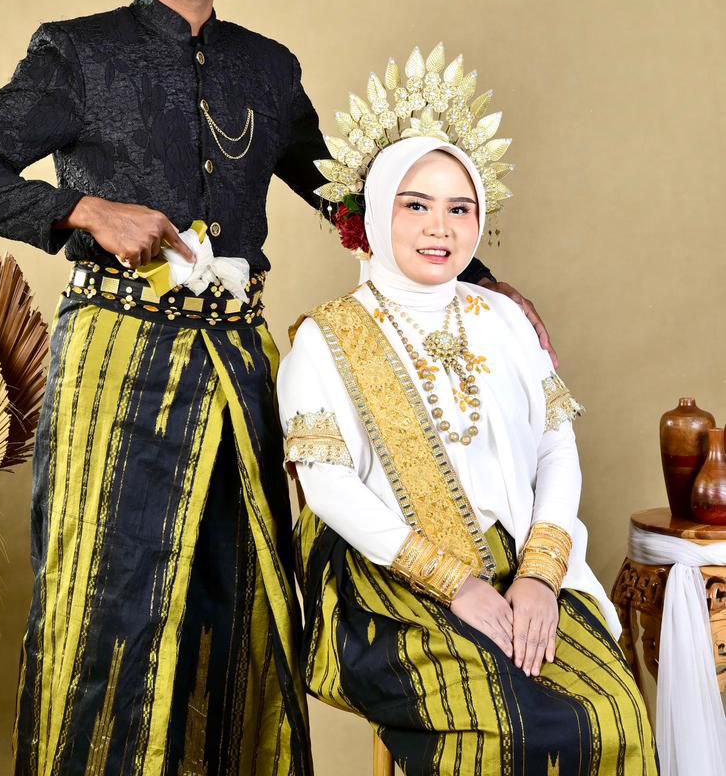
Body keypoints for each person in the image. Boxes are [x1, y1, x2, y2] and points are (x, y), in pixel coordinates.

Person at [0, 0, 547, 775]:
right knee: (111, 602)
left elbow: (348, 200)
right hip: (116, 366)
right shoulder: (78, 52)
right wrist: (82, 210)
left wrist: (487, 289)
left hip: (238, 366)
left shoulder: (267, 68)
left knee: (241, 596)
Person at [277, 48, 657, 775]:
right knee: (509, 732)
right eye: (415, 205)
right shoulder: (328, 337)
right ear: (373, 212)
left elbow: (556, 446)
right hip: (392, 580)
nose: (439, 228)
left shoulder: (503, 319)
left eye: (460, 208)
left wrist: (540, 577)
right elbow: (327, 490)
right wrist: (459, 587)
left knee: (614, 714)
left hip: (522, 563)